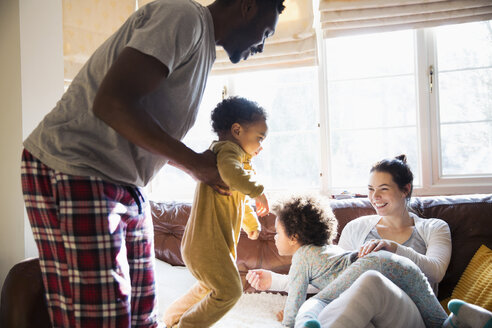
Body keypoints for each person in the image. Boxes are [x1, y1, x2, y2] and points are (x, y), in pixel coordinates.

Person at [20, 0, 285, 326]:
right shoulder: (184, 18)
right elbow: (112, 103)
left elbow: (147, 132)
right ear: (247, 7)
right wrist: (194, 165)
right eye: (266, 32)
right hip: (75, 167)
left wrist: (194, 166)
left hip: (126, 183)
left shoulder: (203, 52)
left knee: (143, 314)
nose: (262, 45)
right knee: (105, 317)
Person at [247, 154, 452, 327]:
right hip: (364, 316)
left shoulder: (434, 227)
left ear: (405, 189)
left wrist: (394, 248)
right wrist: (275, 281)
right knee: (350, 294)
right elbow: (337, 280)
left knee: (371, 280)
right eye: (371, 189)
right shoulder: (357, 227)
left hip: (407, 314)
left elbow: (436, 271)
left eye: (383, 189)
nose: (375, 197)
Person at [162, 96, 270, 327]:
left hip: (211, 245)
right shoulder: (227, 152)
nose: (261, 146)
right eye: (259, 138)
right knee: (230, 291)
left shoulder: (238, 161)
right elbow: (233, 176)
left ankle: (172, 318)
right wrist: (258, 191)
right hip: (207, 245)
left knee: (210, 287)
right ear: (237, 130)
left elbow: (238, 196)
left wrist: (250, 223)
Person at [267, 194, 448, 328]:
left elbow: (295, 298)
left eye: (277, 233)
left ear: (294, 237)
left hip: (372, 265)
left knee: (317, 302)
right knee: (438, 321)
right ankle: (462, 319)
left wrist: (289, 320)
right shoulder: (330, 250)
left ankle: (307, 324)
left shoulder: (302, 256)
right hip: (396, 262)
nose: (274, 238)